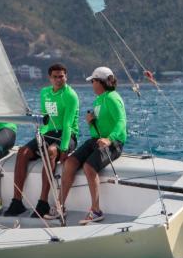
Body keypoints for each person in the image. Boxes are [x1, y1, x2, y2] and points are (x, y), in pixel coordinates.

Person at [46, 66, 127, 224]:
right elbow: (95, 131)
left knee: (89, 167)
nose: (92, 85)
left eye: (93, 81)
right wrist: (91, 123)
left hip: (113, 143)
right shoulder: (99, 99)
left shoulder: (112, 97)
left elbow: (121, 121)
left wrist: (109, 139)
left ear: (100, 82)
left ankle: (96, 211)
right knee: (70, 162)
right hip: (97, 140)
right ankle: (60, 206)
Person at [4, 63, 79, 218]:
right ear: (49, 78)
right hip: (49, 133)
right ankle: (17, 202)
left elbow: (67, 125)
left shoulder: (70, 95)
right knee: (23, 151)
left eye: (62, 76)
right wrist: (40, 137)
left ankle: (43, 202)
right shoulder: (44, 93)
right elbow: (45, 119)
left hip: (67, 135)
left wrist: (64, 148)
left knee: (51, 151)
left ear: (66, 77)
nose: (59, 79)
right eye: (55, 77)